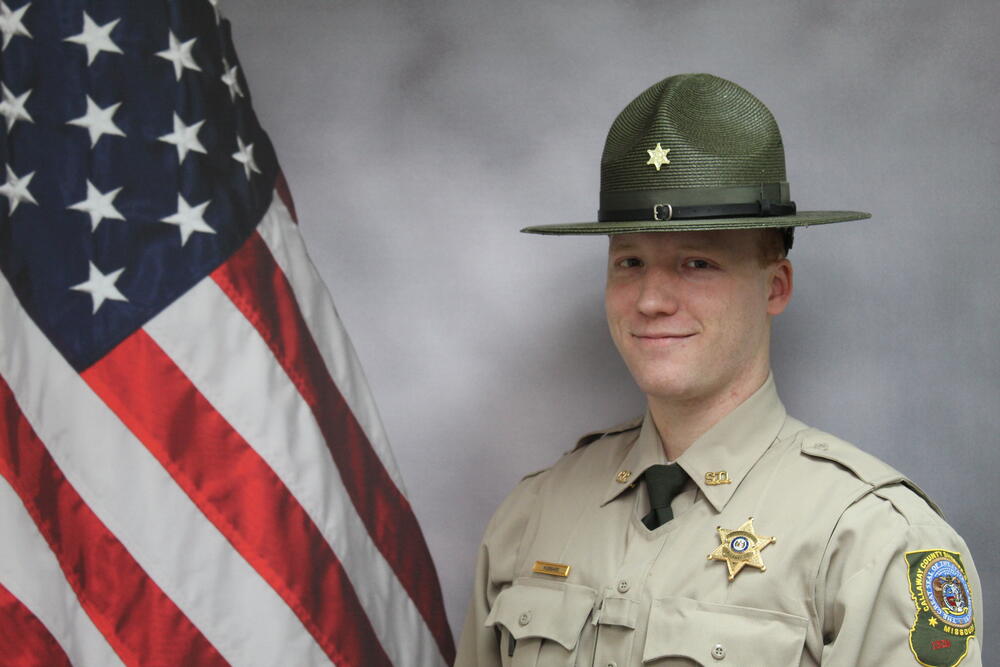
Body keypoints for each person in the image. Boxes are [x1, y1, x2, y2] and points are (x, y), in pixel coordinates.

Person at [455, 73, 982, 666]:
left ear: (774, 287)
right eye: (629, 261)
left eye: (697, 262)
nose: (651, 300)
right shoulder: (532, 516)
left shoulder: (872, 540)